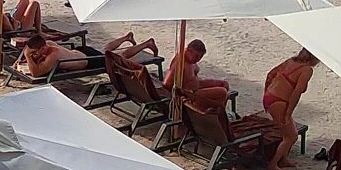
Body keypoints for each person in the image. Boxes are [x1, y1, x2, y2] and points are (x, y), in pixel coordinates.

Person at [262, 48, 319, 170]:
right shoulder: (307, 70)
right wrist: (288, 112)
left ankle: (283, 159)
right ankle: (273, 164)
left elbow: (270, 74)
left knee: (286, 132)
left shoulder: (291, 61)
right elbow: (296, 93)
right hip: (279, 101)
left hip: (271, 96)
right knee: (291, 136)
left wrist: (266, 93)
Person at [21, 32, 158, 77]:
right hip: (82, 52)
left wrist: (27, 57)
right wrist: (24, 57)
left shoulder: (54, 54)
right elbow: (32, 50)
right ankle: (126, 38)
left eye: (35, 52)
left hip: (89, 61)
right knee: (104, 50)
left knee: (120, 57)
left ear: (42, 48)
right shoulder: (48, 44)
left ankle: (147, 44)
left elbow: (36, 73)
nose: (33, 54)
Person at [164, 39, 230, 108]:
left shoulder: (190, 60)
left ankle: (215, 109)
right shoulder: (180, 63)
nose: (198, 59)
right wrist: (183, 94)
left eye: (200, 57)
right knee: (222, 92)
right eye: (196, 56)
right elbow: (167, 84)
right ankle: (212, 111)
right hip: (191, 96)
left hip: (196, 86)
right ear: (189, 50)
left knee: (224, 84)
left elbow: (193, 79)